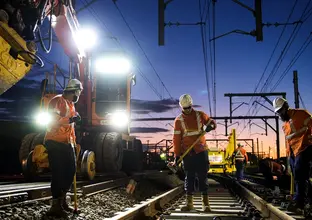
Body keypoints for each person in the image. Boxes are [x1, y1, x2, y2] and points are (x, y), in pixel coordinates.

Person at [44, 79, 83, 217]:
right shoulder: (57, 101)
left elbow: (70, 127)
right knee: (58, 173)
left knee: (71, 170)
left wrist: (73, 141)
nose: (78, 96)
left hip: (67, 142)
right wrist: (71, 119)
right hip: (54, 141)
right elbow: (53, 120)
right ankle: (55, 205)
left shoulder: (71, 105)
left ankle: (62, 200)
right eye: (78, 92)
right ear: (73, 91)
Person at [172, 94, 217, 212]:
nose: (187, 110)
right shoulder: (178, 121)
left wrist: (210, 126)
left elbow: (212, 123)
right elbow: (176, 140)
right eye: (185, 108)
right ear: (181, 107)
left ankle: (206, 204)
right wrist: (176, 155)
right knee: (189, 177)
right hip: (187, 153)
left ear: (191, 105)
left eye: (189, 107)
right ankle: (189, 204)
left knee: (202, 176)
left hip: (201, 150)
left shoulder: (200, 115)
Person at [273, 97, 312, 213]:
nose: (280, 114)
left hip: (306, 147)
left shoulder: (302, 114)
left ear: (286, 107)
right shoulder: (285, 125)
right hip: (294, 152)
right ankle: (306, 199)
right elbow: (289, 141)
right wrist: (289, 157)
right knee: (297, 176)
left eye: (280, 111)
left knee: (300, 175)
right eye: (278, 112)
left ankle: (299, 203)